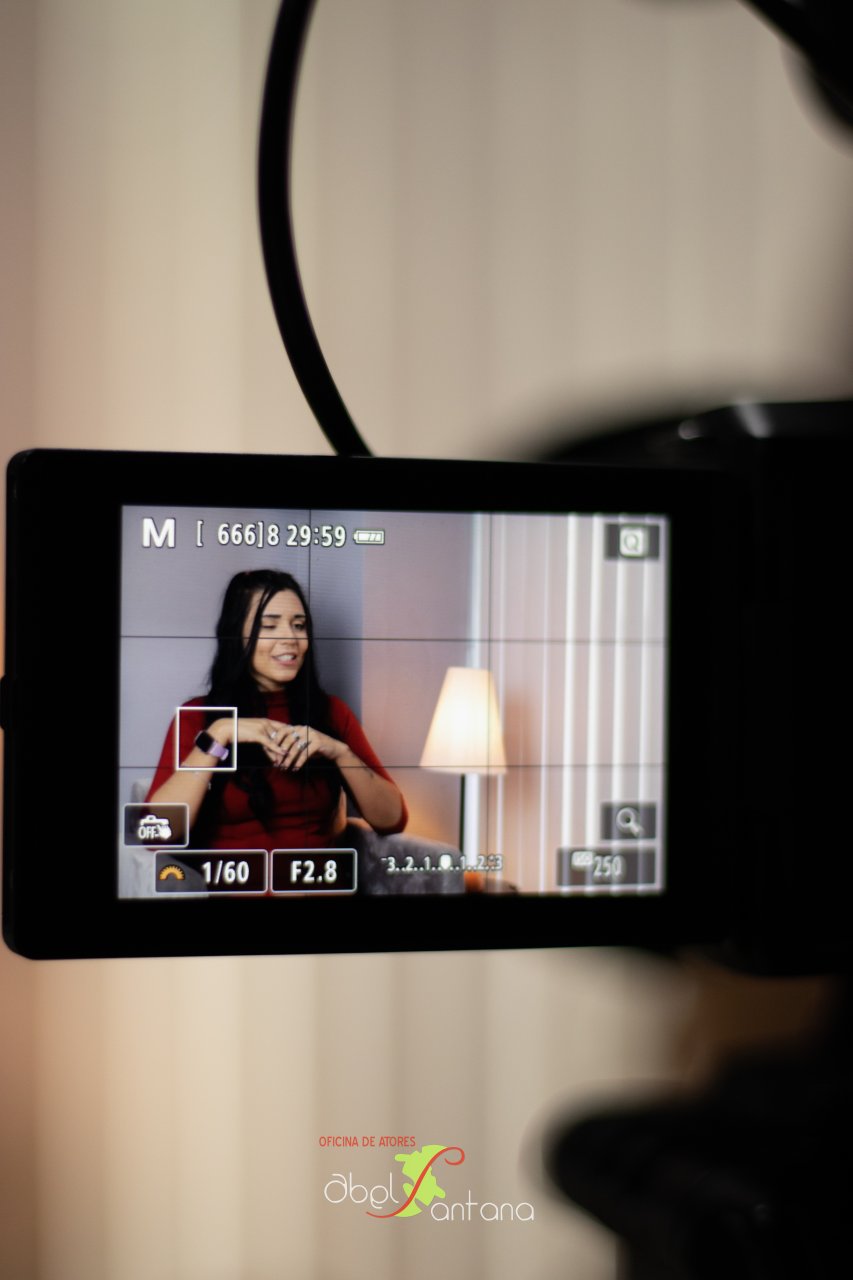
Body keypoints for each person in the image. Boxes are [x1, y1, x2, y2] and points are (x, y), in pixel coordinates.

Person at [146, 569, 407, 851]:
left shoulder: (332, 712)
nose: (290, 638)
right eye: (269, 626)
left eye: (299, 625)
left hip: (317, 878)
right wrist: (220, 733)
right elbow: (155, 833)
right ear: (236, 635)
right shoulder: (197, 715)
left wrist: (339, 752)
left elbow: (392, 820)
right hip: (231, 878)